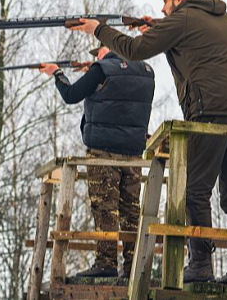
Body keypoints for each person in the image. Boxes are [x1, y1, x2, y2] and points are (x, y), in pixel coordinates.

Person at [69, 0, 227, 285]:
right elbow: (191, 38)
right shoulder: (222, 17)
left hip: (210, 110)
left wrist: (98, 30)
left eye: (165, 2)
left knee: (194, 190)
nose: (162, 8)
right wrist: (157, 28)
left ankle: (200, 264)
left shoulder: (182, 18)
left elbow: (133, 51)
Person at [40, 44, 155, 278]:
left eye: (98, 53)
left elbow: (71, 95)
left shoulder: (101, 68)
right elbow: (117, 97)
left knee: (105, 208)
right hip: (133, 153)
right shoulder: (145, 71)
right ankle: (134, 267)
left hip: (103, 152)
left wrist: (56, 73)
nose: (96, 57)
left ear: (106, 49)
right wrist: (93, 74)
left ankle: (106, 263)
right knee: (131, 210)